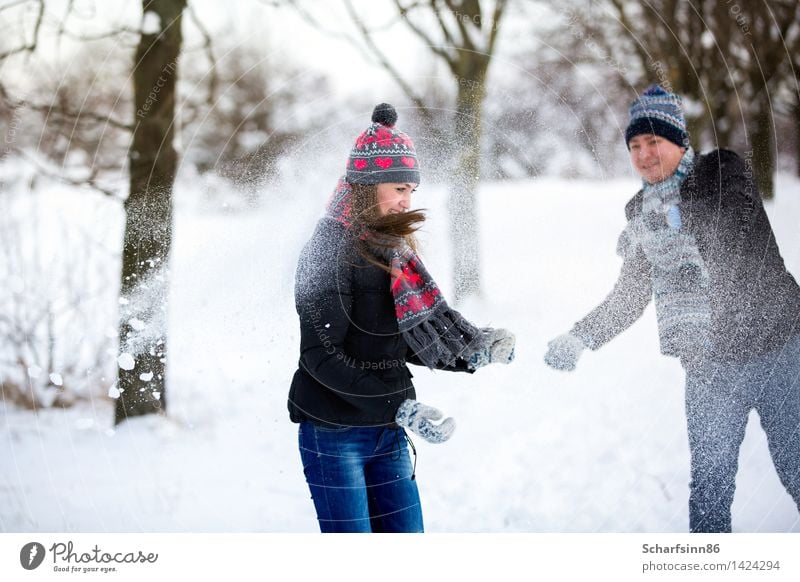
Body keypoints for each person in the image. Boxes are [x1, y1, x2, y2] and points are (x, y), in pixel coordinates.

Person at [544, 85, 800, 533]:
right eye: (635, 146)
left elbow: (730, 231)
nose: (644, 155)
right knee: (709, 490)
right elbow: (630, 294)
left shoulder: (723, 170)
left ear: (679, 140)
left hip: (778, 350)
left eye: (653, 142)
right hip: (708, 368)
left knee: (796, 470)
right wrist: (581, 336)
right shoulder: (642, 212)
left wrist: (665, 220)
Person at [289, 103, 515, 533]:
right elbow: (318, 355)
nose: (405, 201)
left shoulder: (390, 249)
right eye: (397, 188)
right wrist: (400, 407)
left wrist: (472, 351)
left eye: (411, 190)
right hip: (335, 433)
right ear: (366, 186)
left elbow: (399, 338)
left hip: (388, 429)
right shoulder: (325, 250)